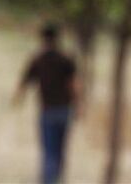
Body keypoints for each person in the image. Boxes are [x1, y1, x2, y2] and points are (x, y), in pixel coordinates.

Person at [13, 24, 81, 184]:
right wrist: (79, 106)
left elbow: (24, 83)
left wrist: (18, 99)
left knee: (49, 151)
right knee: (60, 150)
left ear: (42, 39)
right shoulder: (66, 58)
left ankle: (49, 181)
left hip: (47, 111)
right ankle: (58, 179)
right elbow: (74, 85)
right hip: (65, 110)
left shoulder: (38, 59)